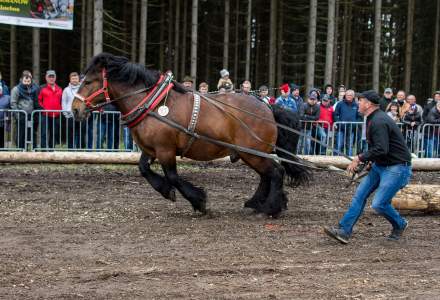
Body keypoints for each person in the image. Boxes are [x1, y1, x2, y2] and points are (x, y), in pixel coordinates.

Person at [324, 90, 412, 244]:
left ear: (368, 104)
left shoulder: (378, 121)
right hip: (381, 165)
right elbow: (381, 148)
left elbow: (381, 148)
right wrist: (370, 162)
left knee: (379, 204)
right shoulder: (372, 118)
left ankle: (400, 224)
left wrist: (359, 158)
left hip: (396, 168)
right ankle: (344, 231)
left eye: (361, 100)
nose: (358, 103)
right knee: (360, 195)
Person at [10, 71, 39, 149]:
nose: (27, 83)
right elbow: (13, 103)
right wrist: (18, 116)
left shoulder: (34, 89)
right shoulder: (16, 89)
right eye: (25, 81)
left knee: (32, 134)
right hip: (21, 115)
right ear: (21, 80)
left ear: (31, 80)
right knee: (21, 134)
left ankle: (33, 151)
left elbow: (36, 101)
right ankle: (20, 151)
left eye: (28, 81)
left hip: (32, 115)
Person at [38, 70, 63, 149]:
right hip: (45, 115)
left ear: (55, 78)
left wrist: (60, 109)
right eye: (50, 77)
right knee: (44, 133)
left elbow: (62, 101)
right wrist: (43, 108)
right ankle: (43, 150)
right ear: (46, 78)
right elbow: (38, 100)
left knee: (54, 133)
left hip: (56, 115)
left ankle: (52, 150)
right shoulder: (41, 88)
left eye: (53, 77)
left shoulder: (59, 89)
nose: (51, 78)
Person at [333, 89, 360, 156]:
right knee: (339, 145)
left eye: (350, 95)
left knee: (349, 146)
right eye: (347, 95)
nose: (349, 96)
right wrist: (338, 122)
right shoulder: (340, 104)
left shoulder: (356, 105)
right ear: (345, 95)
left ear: (353, 96)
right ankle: (336, 160)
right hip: (341, 128)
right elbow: (335, 114)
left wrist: (355, 124)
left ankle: (349, 162)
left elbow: (359, 117)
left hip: (351, 129)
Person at [61, 72, 83, 149]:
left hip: (80, 115)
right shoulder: (66, 90)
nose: (74, 80)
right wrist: (66, 114)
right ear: (70, 80)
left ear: (78, 79)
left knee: (80, 134)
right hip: (70, 116)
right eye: (72, 79)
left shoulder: (82, 89)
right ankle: (70, 151)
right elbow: (64, 102)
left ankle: (79, 151)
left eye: (76, 78)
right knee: (71, 135)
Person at [299, 90, 320, 155]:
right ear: (308, 99)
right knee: (300, 143)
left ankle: (306, 156)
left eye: (314, 99)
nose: (312, 101)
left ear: (316, 100)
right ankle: (297, 155)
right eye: (311, 99)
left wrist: (306, 116)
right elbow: (301, 116)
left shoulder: (317, 107)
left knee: (307, 143)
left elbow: (317, 117)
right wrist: (311, 117)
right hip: (301, 127)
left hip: (309, 128)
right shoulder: (303, 105)